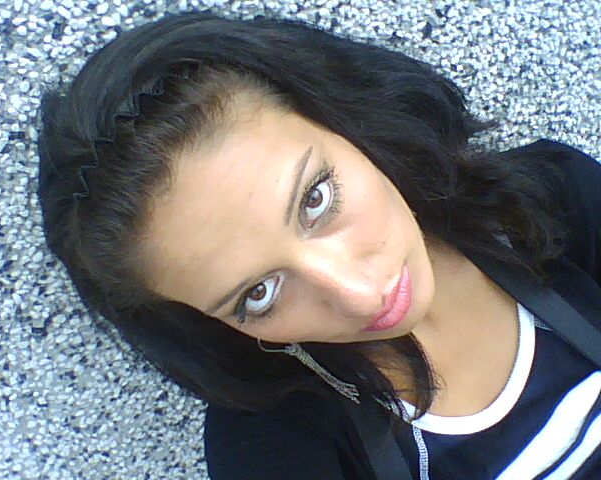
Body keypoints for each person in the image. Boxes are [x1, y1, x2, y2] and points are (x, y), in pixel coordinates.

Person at [35, 9, 601, 480]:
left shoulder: (552, 201)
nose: (360, 296)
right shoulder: (280, 443)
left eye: (316, 199)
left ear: (345, 120)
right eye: (258, 294)